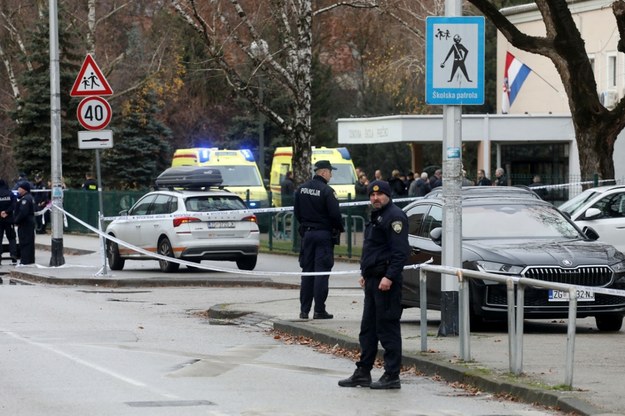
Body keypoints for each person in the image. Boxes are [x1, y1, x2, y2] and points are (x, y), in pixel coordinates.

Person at [338, 180, 409, 390]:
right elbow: (372, 249)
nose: (375, 198)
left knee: (387, 328)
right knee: (368, 329)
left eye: (379, 195)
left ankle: (392, 374)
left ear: (387, 195)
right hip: (372, 280)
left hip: (385, 282)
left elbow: (400, 253)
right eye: (372, 195)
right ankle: (363, 372)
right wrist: (364, 273)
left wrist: (389, 277)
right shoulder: (377, 216)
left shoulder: (395, 217)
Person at [294, 160, 345, 320]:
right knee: (321, 273)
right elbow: (335, 215)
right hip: (323, 235)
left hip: (307, 235)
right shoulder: (327, 191)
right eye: (330, 172)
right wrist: (338, 228)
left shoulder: (301, 189)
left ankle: (304, 310)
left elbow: (297, 213)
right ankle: (319, 310)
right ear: (323, 172)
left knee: (307, 273)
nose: (331, 175)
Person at [13, 181, 36, 265]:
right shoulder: (29, 197)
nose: (18, 189)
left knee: (25, 242)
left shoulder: (25, 199)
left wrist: (16, 221)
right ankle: (29, 260)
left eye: (20, 188)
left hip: (25, 224)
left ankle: (25, 261)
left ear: (24, 189)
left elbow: (23, 212)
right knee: (29, 241)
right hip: (28, 223)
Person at [0, 179, 18, 265]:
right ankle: (13, 255)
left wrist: (1, 212)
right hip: (9, 219)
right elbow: (14, 205)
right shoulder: (10, 194)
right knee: (11, 238)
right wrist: (7, 212)